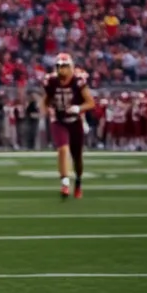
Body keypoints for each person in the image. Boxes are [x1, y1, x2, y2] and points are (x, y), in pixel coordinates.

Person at [43, 52, 95, 199]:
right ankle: (65, 183)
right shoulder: (51, 81)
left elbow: (91, 102)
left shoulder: (78, 80)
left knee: (77, 157)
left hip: (75, 121)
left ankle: (78, 181)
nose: (62, 70)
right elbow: (46, 100)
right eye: (59, 66)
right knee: (62, 150)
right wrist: (47, 110)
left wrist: (78, 108)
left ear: (71, 67)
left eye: (65, 66)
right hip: (59, 120)